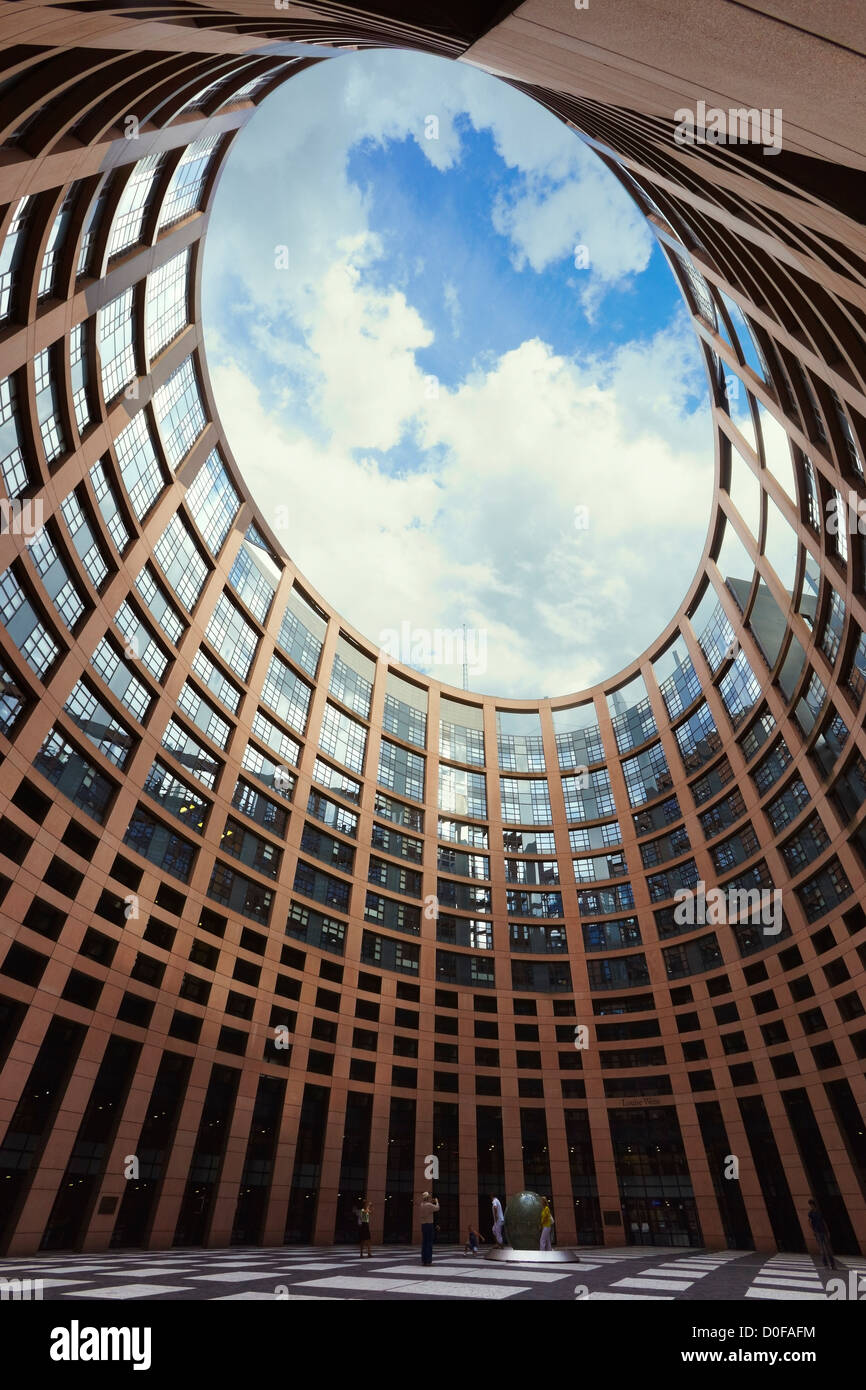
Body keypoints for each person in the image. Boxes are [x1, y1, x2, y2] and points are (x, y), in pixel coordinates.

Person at [807, 1199, 837, 1269]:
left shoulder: (819, 1212)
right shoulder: (810, 1213)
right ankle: (826, 1264)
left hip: (823, 1231)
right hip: (817, 1232)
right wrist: (813, 1229)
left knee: (828, 1249)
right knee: (822, 1250)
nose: (811, 1206)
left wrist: (827, 1231)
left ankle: (832, 1264)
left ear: (814, 1205)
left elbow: (823, 1221)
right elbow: (809, 1222)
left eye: (811, 1205)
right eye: (810, 1205)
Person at [419, 1191, 439, 1266]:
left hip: (423, 1225)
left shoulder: (421, 1205)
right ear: (427, 1198)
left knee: (424, 1243)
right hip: (429, 1225)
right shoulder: (429, 1205)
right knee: (429, 1243)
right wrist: (436, 1202)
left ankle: (424, 1260)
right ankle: (428, 1261)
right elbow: (437, 1208)